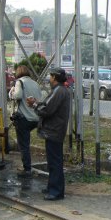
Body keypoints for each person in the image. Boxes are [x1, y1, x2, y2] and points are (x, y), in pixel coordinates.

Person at [27, 68, 71, 201]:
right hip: (55, 130)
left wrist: (34, 104)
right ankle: (52, 187)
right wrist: (38, 103)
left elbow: (47, 110)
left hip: (54, 131)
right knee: (53, 161)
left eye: (50, 76)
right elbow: (48, 105)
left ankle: (56, 192)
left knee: (55, 162)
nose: (49, 79)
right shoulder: (61, 90)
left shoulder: (59, 91)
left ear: (55, 78)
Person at [8, 65, 43, 178]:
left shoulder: (19, 82)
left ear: (18, 73)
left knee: (24, 145)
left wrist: (11, 92)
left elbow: (17, 96)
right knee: (26, 144)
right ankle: (27, 166)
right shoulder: (35, 83)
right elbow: (40, 99)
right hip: (36, 118)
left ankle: (27, 169)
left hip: (24, 118)